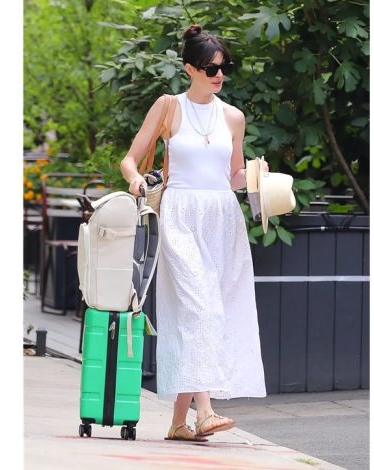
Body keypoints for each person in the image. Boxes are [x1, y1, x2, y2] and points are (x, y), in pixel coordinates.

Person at [120, 24, 267, 442]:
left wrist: (258, 179)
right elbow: (129, 159)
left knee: (205, 313)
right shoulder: (169, 107)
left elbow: (233, 176)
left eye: (225, 67)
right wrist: (135, 180)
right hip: (181, 215)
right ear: (189, 68)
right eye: (210, 67)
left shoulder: (233, 117)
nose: (219, 74)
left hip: (223, 218)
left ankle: (176, 423)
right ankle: (206, 413)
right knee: (202, 309)